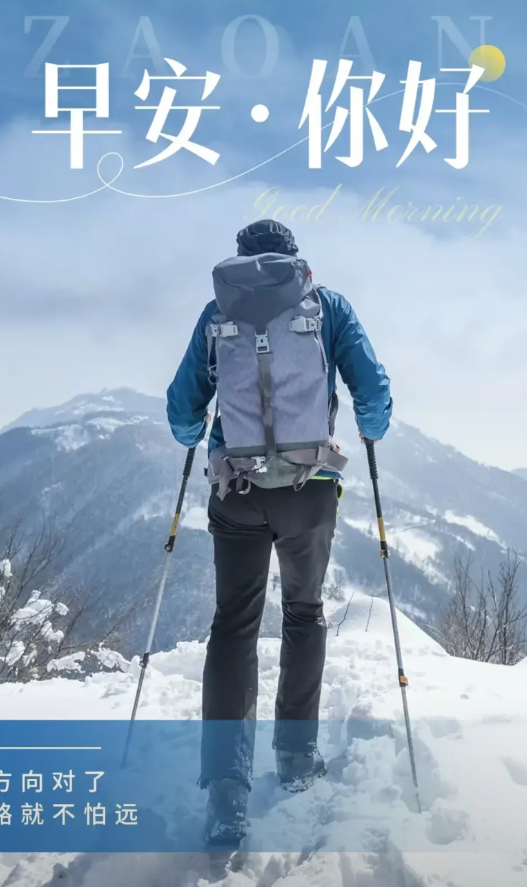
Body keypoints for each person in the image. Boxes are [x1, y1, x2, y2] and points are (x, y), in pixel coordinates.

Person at [167, 219, 392, 846]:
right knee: (303, 611)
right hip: (309, 492)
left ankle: (226, 795)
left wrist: (197, 440)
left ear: (240, 262)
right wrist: (370, 429)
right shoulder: (329, 307)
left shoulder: (218, 311)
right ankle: (295, 760)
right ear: (297, 261)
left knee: (233, 627)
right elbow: (373, 392)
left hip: (235, 494)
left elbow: (182, 410)